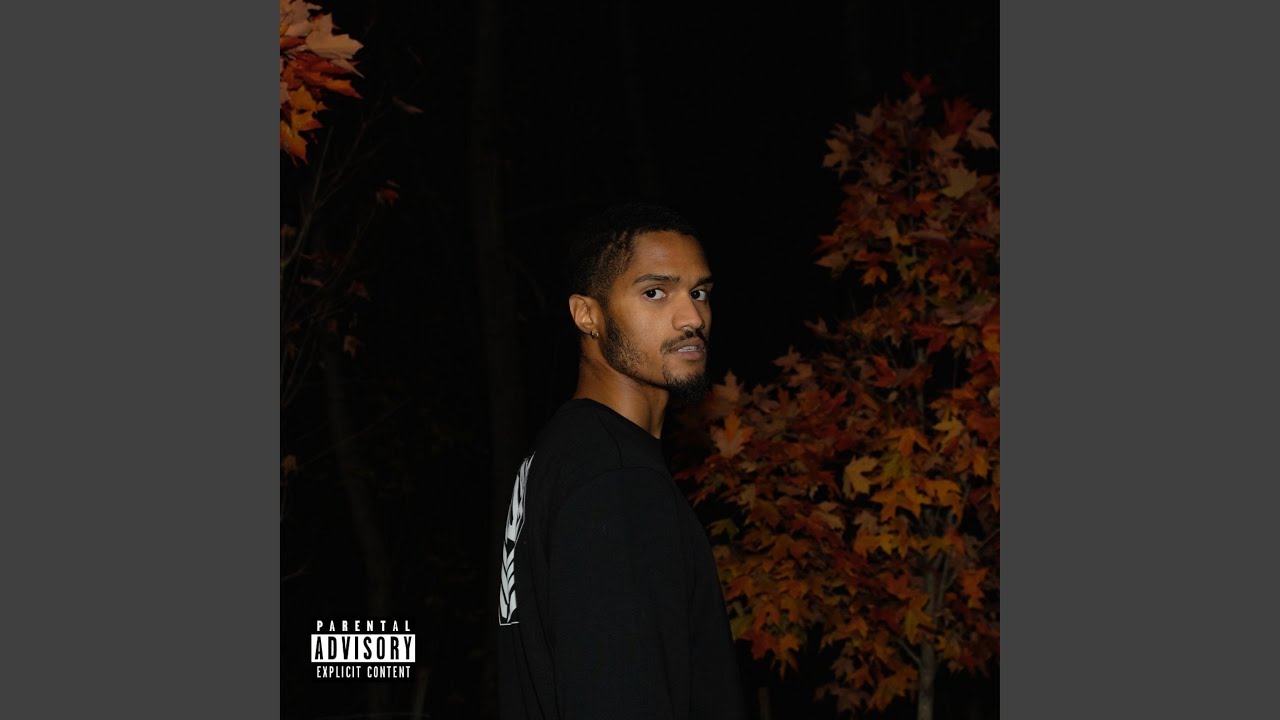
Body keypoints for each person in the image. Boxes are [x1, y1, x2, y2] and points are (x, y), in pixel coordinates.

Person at [497, 203, 747, 720]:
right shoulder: (616, 478)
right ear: (587, 315)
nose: (692, 318)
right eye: (655, 292)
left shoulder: (563, 453)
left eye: (699, 293)